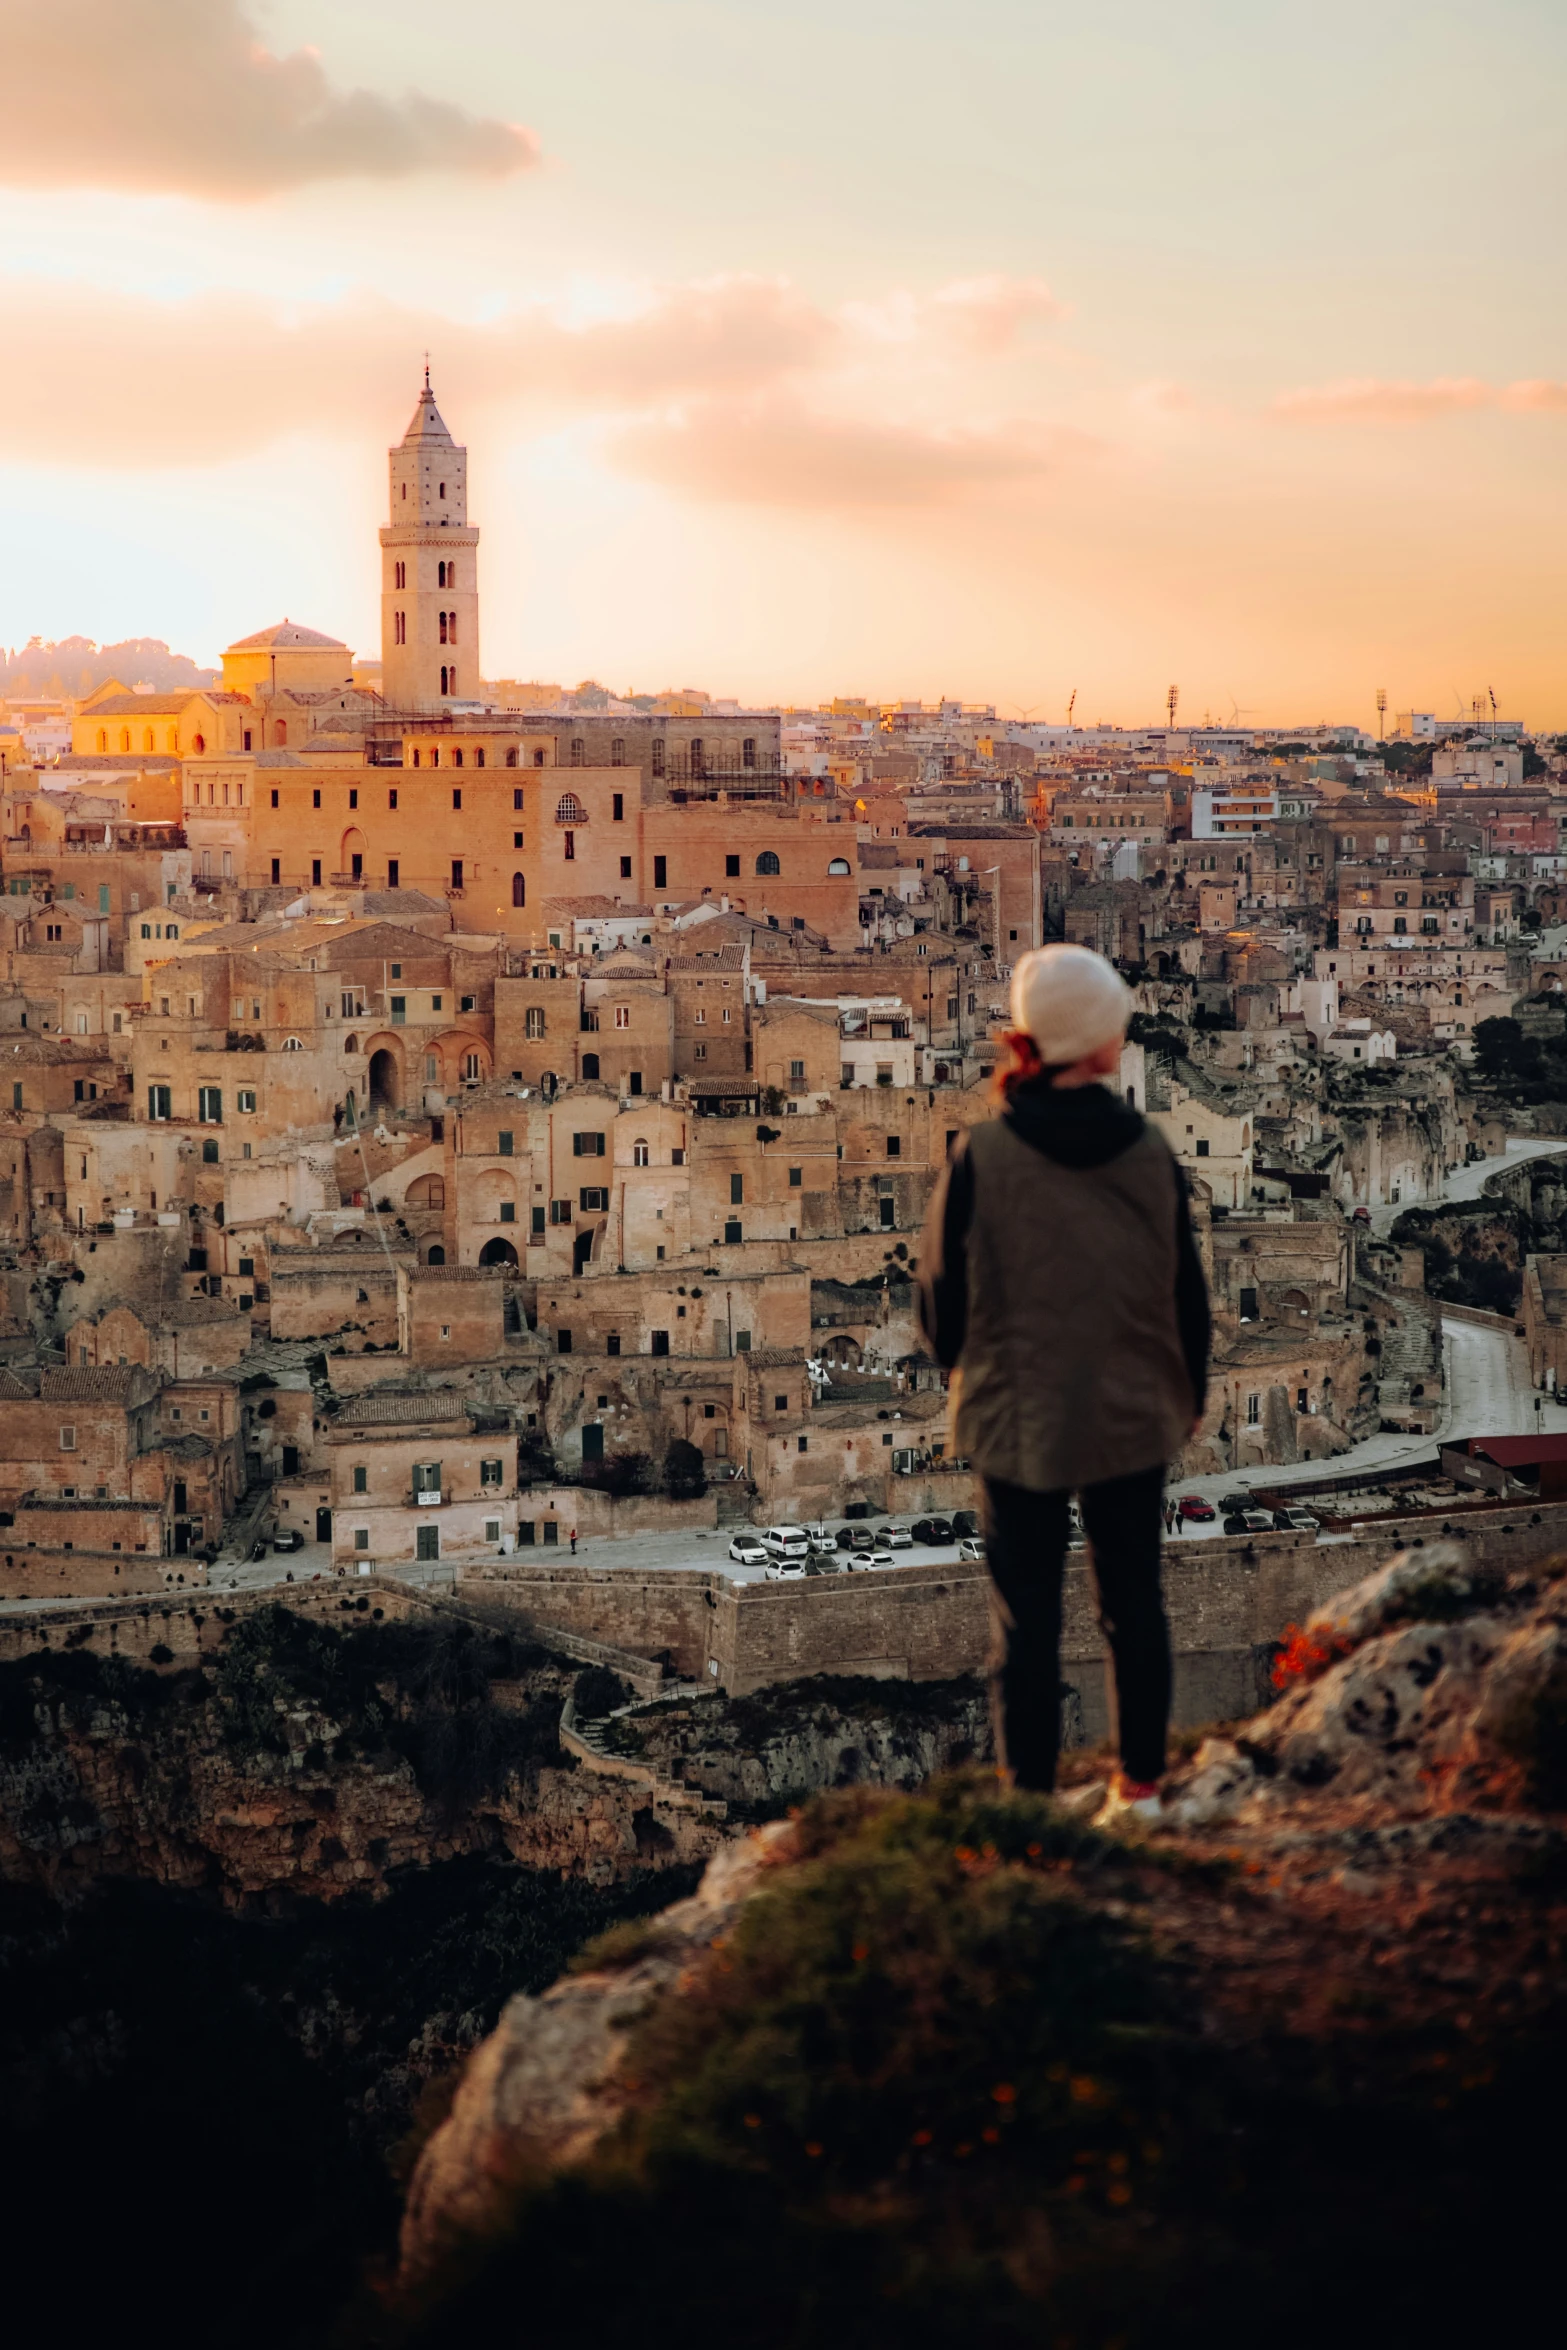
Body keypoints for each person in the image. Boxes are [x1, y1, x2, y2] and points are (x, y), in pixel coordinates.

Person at [917, 943, 1210, 1823]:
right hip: (1131, 1409)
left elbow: (939, 1303)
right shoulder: (1150, 1152)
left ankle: (1031, 1814)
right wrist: (1183, 1396)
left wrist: (973, 1372)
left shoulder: (983, 1155)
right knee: (1132, 1606)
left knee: (1027, 1627)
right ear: (1104, 1043)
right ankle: (1144, 1790)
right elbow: (1184, 1295)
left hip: (1016, 1414)